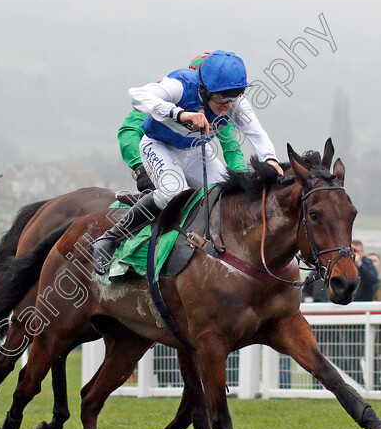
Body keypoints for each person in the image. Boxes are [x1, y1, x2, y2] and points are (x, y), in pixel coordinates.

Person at [93, 50, 281, 275]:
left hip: (195, 152)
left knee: (226, 193)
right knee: (175, 192)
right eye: (221, 98)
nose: (227, 106)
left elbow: (255, 133)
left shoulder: (233, 101)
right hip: (158, 145)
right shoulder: (180, 85)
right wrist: (181, 114)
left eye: (234, 97)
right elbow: (137, 95)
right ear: (203, 89)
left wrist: (270, 159)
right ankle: (110, 238)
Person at [118, 53, 247, 192]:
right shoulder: (171, 96)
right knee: (172, 195)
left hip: (195, 156)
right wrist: (139, 168)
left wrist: (241, 175)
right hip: (159, 156)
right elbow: (129, 131)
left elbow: (232, 147)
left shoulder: (219, 110)